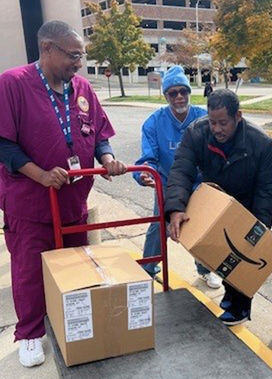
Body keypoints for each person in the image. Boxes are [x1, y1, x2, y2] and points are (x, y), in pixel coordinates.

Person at [0, 21, 127, 367]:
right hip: (31, 205)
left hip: (73, 203)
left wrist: (108, 158)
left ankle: (70, 322)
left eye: (81, 55)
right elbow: (3, 144)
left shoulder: (82, 88)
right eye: (73, 55)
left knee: (75, 269)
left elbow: (98, 133)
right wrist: (40, 175)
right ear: (47, 49)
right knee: (30, 272)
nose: (79, 63)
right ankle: (29, 334)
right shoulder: (13, 83)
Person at [165, 89, 272, 325]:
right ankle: (230, 294)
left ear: (238, 116)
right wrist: (175, 208)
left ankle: (240, 307)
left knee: (244, 252)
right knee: (220, 251)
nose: (217, 129)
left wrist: (259, 226)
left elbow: (268, 189)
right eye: (213, 122)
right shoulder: (197, 132)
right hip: (217, 199)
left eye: (223, 123)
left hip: (247, 203)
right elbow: (181, 170)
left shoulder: (261, 143)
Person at [133, 65, 221, 289]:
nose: (179, 97)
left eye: (183, 91)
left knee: (200, 227)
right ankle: (148, 268)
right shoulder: (154, 122)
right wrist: (143, 173)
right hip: (168, 184)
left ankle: (204, 270)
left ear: (190, 92)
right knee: (158, 226)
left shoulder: (203, 118)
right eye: (173, 92)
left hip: (199, 183)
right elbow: (147, 157)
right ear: (166, 96)